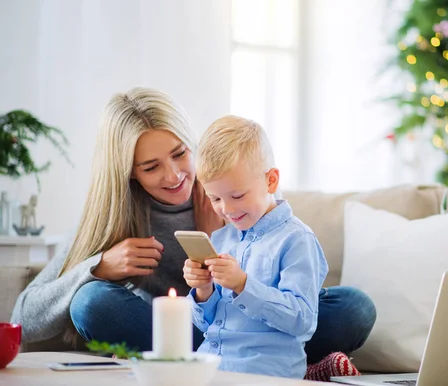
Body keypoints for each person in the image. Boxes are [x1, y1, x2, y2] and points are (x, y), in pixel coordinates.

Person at [10, 87, 376, 377]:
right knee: (91, 303)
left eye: (180, 153)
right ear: (129, 173)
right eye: (152, 167)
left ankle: (279, 366)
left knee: (354, 307)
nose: (174, 176)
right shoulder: (112, 215)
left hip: (254, 327)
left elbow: (296, 289)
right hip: (181, 334)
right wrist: (98, 266)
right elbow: (23, 317)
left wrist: (228, 234)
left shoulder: (234, 199)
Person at [185, 115, 329, 378]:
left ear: (271, 181)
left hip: (261, 373)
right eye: (215, 198)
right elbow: (206, 324)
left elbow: (302, 321)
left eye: (237, 195)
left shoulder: (296, 240)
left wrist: (242, 284)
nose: (226, 209)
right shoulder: (220, 239)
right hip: (208, 368)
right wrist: (203, 290)